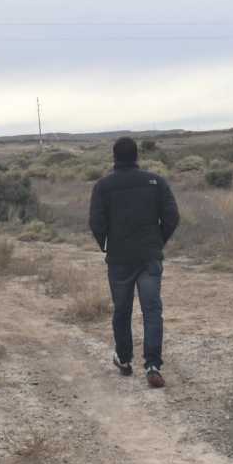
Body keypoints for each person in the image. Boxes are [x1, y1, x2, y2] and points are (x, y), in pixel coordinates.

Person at [88, 137, 179, 388]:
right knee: (152, 310)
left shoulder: (103, 186)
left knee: (122, 310)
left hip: (119, 260)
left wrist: (105, 244)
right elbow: (172, 216)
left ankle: (125, 360)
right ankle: (152, 365)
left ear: (114, 157)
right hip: (149, 257)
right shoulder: (155, 182)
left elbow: (96, 222)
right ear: (137, 155)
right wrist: (157, 242)